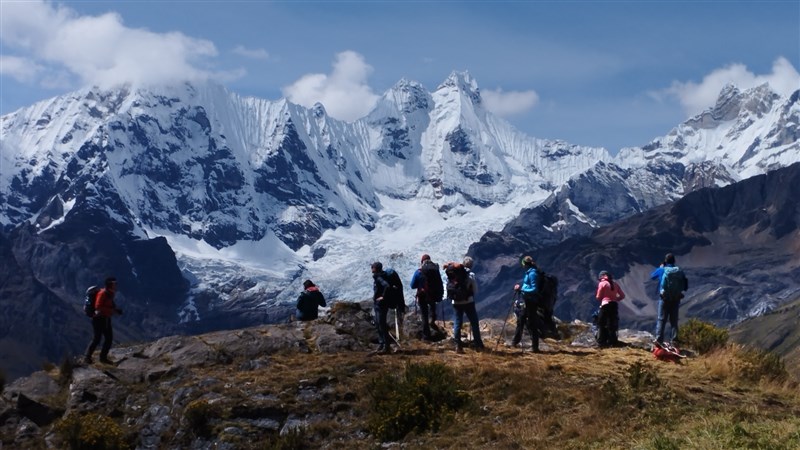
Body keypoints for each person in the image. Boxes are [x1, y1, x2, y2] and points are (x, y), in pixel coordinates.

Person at [650, 253, 689, 344]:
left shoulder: (663, 270)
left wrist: (660, 267)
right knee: (674, 321)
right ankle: (674, 340)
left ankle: (659, 339)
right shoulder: (679, 271)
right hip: (676, 298)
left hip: (664, 298)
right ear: (674, 261)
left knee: (661, 319)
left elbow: (652, 276)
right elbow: (685, 285)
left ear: (666, 261)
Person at [448, 257, 484, 353]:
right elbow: (475, 290)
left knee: (457, 323)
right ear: (471, 265)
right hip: (468, 302)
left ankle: (458, 346)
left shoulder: (454, 273)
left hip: (456, 302)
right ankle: (478, 345)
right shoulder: (471, 275)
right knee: (474, 322)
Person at [84, 276, 122, 364]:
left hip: (105, 318)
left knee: (108, 339)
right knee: (97, 339)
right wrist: (112, 310)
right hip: (98, 319)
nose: (116, 285)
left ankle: (103, 358)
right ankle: (87, 357)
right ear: (110, 285)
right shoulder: (103, 293)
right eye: (114, 284)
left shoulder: (110, 293)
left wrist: (115, 310)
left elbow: (109, 305)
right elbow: (98, 306)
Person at [409, 254, 443, 340]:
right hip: (433, 294)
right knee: (432, 308)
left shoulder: (419, 272)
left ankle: (426, 335)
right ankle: (433, 321)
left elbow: (412, 285)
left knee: (424, 314)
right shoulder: (435, 270)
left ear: (422, 262)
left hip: (422, 295)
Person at [514, 256, 543, 353]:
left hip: (531, 302)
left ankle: (535, 347)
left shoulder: (532, 274)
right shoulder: (529, 272)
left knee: (531, 323)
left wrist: (522, 290)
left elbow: (534, 289)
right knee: (521, 320)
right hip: (527, 300)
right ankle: (515, 342)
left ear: (525, 264)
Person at [371, 262, 397, 354]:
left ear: (376, 268)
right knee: (378, 323)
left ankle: (386, 347)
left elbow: (387, 286)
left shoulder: (379, 277)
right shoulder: (379, 276)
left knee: (381, 324)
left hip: (381, 304)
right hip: (379, 304)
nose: (371, 269)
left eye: (372, 267)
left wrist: (383, 297)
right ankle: (382, 344)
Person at [595, 270, 625, 347]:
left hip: (605, 304)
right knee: (612, 323)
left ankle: (601, 341)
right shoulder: (615, 284)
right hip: (614, 305)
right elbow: (622, 296)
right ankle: (612, 341)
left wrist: (603, 299)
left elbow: (598, 296)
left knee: (601, 323)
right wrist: (615, 299)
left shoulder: (602, 283)